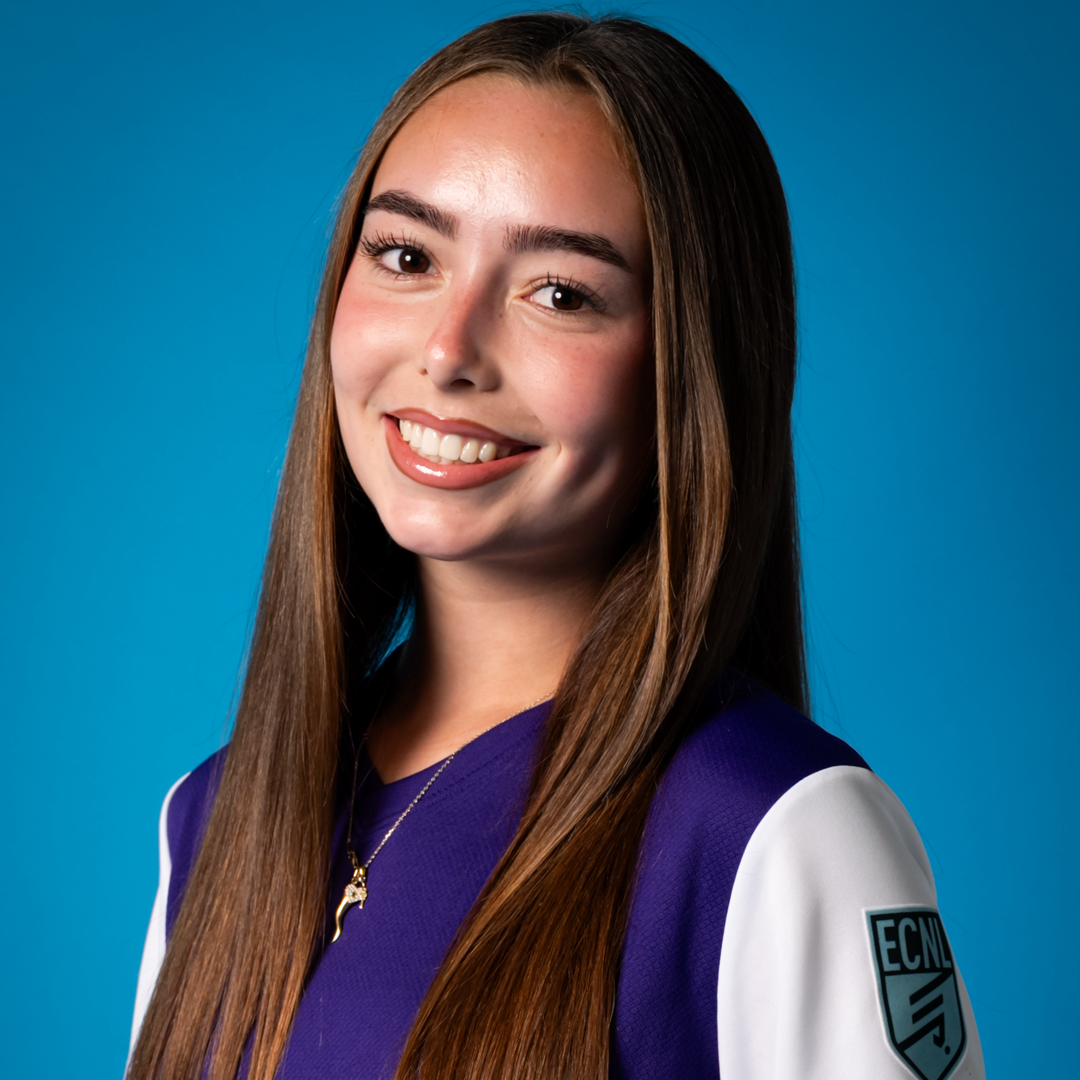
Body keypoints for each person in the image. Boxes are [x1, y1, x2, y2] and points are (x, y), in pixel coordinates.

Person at [125, 13, 984, 1080]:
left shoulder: (773, 829)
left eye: (561, 293)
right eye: (405, 255)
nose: (448, 351)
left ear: (692, 366)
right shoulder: (206, 824)